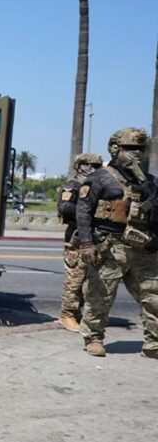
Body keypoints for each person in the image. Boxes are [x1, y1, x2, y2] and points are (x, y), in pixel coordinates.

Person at [75, 128, 158, 359]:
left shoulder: (150, 182)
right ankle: (93, 338)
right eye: (131, 149)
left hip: (144, 249)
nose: (137, 154)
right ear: (115, 149)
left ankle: (154, 344)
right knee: (100, 296)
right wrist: (86, 244)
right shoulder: (101, 178)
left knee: (154, 297)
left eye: (141, 149)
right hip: (110, 247)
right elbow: (83, 212)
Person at [56, 152, 103, 332]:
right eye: (90, 165)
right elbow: (65, 208)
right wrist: (90, 210)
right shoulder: (73, 186)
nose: (94, 169)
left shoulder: (94, 186)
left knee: (88, 280)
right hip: (76, 237)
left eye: (97, 166)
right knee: (75, 278)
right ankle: (67, 315)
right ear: (80, 166)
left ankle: (77, 313)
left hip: (91, 237)